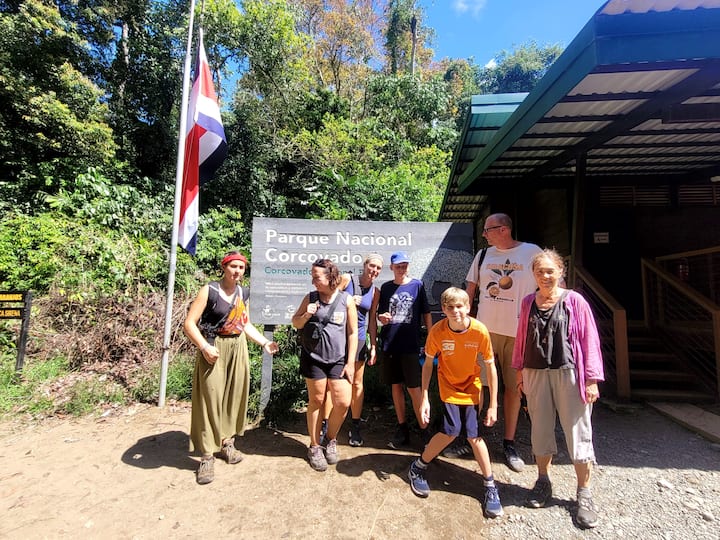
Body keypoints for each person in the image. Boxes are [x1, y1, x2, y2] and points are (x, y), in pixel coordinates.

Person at [512, 249, 604, 529]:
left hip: (570, 374)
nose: (545, 276)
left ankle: (584, 493)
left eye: (550, 271)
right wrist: (519, 371)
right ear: (534, 274)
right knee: (540, 429)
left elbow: (589, 339)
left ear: (561, 272)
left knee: (578, 432)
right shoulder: (528, 302)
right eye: (540, 271)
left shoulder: (574, 301)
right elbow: (521, 337)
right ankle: (543, 481)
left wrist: (592, 379)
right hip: (535, 372)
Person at [407, 287, 503, 518]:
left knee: (473, 435)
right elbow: (428, 365)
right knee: (451, 431)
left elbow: (491, 367)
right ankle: (418, 467)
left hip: (471, 387)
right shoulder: (437, 331)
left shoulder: (479, 331)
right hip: (448, 386)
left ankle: (490, 485)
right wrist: (425, 398)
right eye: (450, 307)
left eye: (459, 306)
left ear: (468, 307)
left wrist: (493, 404)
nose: (455, 311)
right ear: (443, 309)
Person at [184, 251, 279, 485]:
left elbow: (244, 324)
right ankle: (207, 455)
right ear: (224, 267)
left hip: (238, 347)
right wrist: (204, 346)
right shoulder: (210, 290)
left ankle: (226, 442)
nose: (237, 271)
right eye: (233, 266)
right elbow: (189, 324)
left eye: (241, 267)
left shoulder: (242, 293)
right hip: (214, 348)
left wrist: (264, 342)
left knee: (233, 396)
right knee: (210, 399)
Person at [462, 213, 542, 471]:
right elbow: (470, 289)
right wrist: (465, 321)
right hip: (484, 331)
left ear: (504, 229)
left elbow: (550, 286)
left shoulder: (532, 252)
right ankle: (471, 437)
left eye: (487, 230)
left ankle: (509, 443)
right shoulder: (483, 255)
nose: (484, 234)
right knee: (477, 384)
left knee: (513, 388)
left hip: (518, 333)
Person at [292, 259, 358, 471]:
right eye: (312, 277)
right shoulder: (310, 297)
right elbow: (295, 322)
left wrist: (350, 362)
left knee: (343, 402)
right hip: (314, 358)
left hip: (338, 359)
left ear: (330, 277)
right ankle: (314, 446)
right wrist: (307, 314)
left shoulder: (346, 300)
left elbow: (353, 332)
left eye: (317, 277)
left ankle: (330, 439)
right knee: (316, 401)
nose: (313, 281)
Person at [319, 254, 383, 447]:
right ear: (365, 265)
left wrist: (373, 345)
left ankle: (355, 426)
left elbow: (372, 320)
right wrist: (346, 300)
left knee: (356, 383)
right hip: (338, 337)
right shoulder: (347, 279)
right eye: (372, 266)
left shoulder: (375, 292)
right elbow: (329, 298)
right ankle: (325, 424)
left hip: (360, 339)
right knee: (331, 382)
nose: (374, 270)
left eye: (378, 268)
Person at [373, 251, 432, 448]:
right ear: (392, 268)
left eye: (404, 265)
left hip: (410, 345)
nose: (401, 269)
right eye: (398, 266)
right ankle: (402, 429)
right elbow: (380, 314)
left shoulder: (417, 285)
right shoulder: (386, 287)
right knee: (396, 386)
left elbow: (426, 313)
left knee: (414, 388)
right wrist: (381, 318)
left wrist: (431, 337)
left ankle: (424, 430)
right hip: (390, 344)